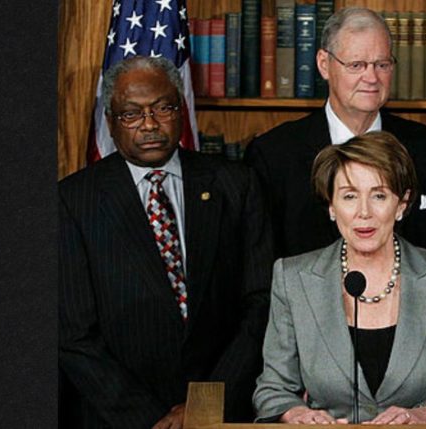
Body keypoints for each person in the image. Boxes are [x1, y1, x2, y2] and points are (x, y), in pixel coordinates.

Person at [59, 56, 273, 428]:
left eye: (163, 108)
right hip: (118, 418)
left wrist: (203, 406)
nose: (150, 124)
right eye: (131, 114)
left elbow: (261, 303)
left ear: (181, 107)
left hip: (221, 412)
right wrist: (151, 418)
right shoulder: (73, 200)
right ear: (110, 122)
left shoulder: (235, 184)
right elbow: (74, 335)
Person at [253, 131, 426, 424]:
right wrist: (298, 414)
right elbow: (273, 389)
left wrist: (425, 415)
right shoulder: (293, 279)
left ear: (402, 204)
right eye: (349, 196)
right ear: (331, 206)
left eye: (379, 195)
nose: (364, 212)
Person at [244, 7, 426, 258]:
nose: (371, 77)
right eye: (357, 65)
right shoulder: (273, 155)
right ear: (324, 65)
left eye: (382, 64)